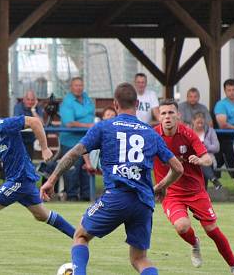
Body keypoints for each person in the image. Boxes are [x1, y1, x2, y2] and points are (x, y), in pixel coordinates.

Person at [40, 83, 184, 275]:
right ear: (138, 103)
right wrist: (161, 186)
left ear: (115, 104)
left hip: (117, 197)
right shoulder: (151, 132)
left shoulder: (104, 127)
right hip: (144, 202)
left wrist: (52, 179)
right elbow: (178, 168)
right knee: (139, 258)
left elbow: (74, 153)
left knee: (81, 236)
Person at [0, 97, 76, 263]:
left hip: (19, 179)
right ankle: (78, 236)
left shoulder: (4, 124)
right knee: (42, 215)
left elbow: (34, 121)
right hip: (21, 179)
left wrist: (45, 147)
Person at [155, 99, 234, 275]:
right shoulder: (153, 136)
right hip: (171, 192)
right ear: (159, 117)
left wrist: (200, 160)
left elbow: (208, 158)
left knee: (212, 230)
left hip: (195, 190)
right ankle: (194, 243)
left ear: (178, 115)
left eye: (171, 113)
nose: (167, 117)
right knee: (182, 226)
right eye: (163, 113)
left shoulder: (187, 134)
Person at [59, 77, 95, 201]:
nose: (78, 88)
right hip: (71, 143)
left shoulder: (87, 99)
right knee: (72, 173)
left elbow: (91, 116)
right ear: (71, 87)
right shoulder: (67, 102)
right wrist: (88, 125)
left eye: (80, 85)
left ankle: (87, 198)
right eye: (76, 85)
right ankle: (71, 198)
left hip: (87, 142)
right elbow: (69, 123)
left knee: (86, 171)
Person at [191, 112, 222, 190]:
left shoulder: (210, 131)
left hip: (209, 159)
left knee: (202, 163)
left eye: (201, 123)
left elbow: (217, 147)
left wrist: (205, 146)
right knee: (200, 163)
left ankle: (205, 192)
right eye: (198, 122)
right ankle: (213, 179)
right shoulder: (188, 131)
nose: (200, 125)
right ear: (193, 121)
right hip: (192, 159)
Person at [13, 90, 44, 158]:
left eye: (32, 100)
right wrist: (34, 124)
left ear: (35, 101)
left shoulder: (37, 107)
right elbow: (19, 123)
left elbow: (41, 123)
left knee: (29, 160)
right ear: (24, 100)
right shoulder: (18, 107)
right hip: (19, 138)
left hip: (30, 139)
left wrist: (33, 110)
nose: (30, 102)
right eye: (28, 99)